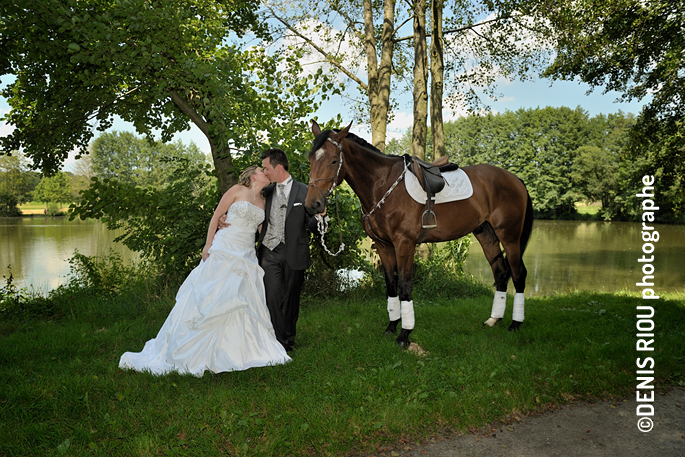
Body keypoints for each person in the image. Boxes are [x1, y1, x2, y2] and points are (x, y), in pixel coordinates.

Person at [119, 166, 291, 376]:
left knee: (243, 299)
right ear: (253, 175)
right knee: (211, 295)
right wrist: (208, 245)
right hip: (224, 248)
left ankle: (238, 349)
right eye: (262, 169)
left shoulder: (264, 201)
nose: (266, 171)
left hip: (246, 254)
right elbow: (216, 215)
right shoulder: (237, 190)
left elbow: (263, 231)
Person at [221, 148, 318, 352]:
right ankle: (277, 340)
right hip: (268, 251)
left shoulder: (305, 190)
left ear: (278, 167)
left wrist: (320, 218)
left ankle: (289, 338)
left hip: (294, 252)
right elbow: (246, 203)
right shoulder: (267, 191)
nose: (265, 173)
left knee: (292, 298)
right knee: (271, 295)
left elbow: (311, 224)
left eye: (267, 168)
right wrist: (225, 217)